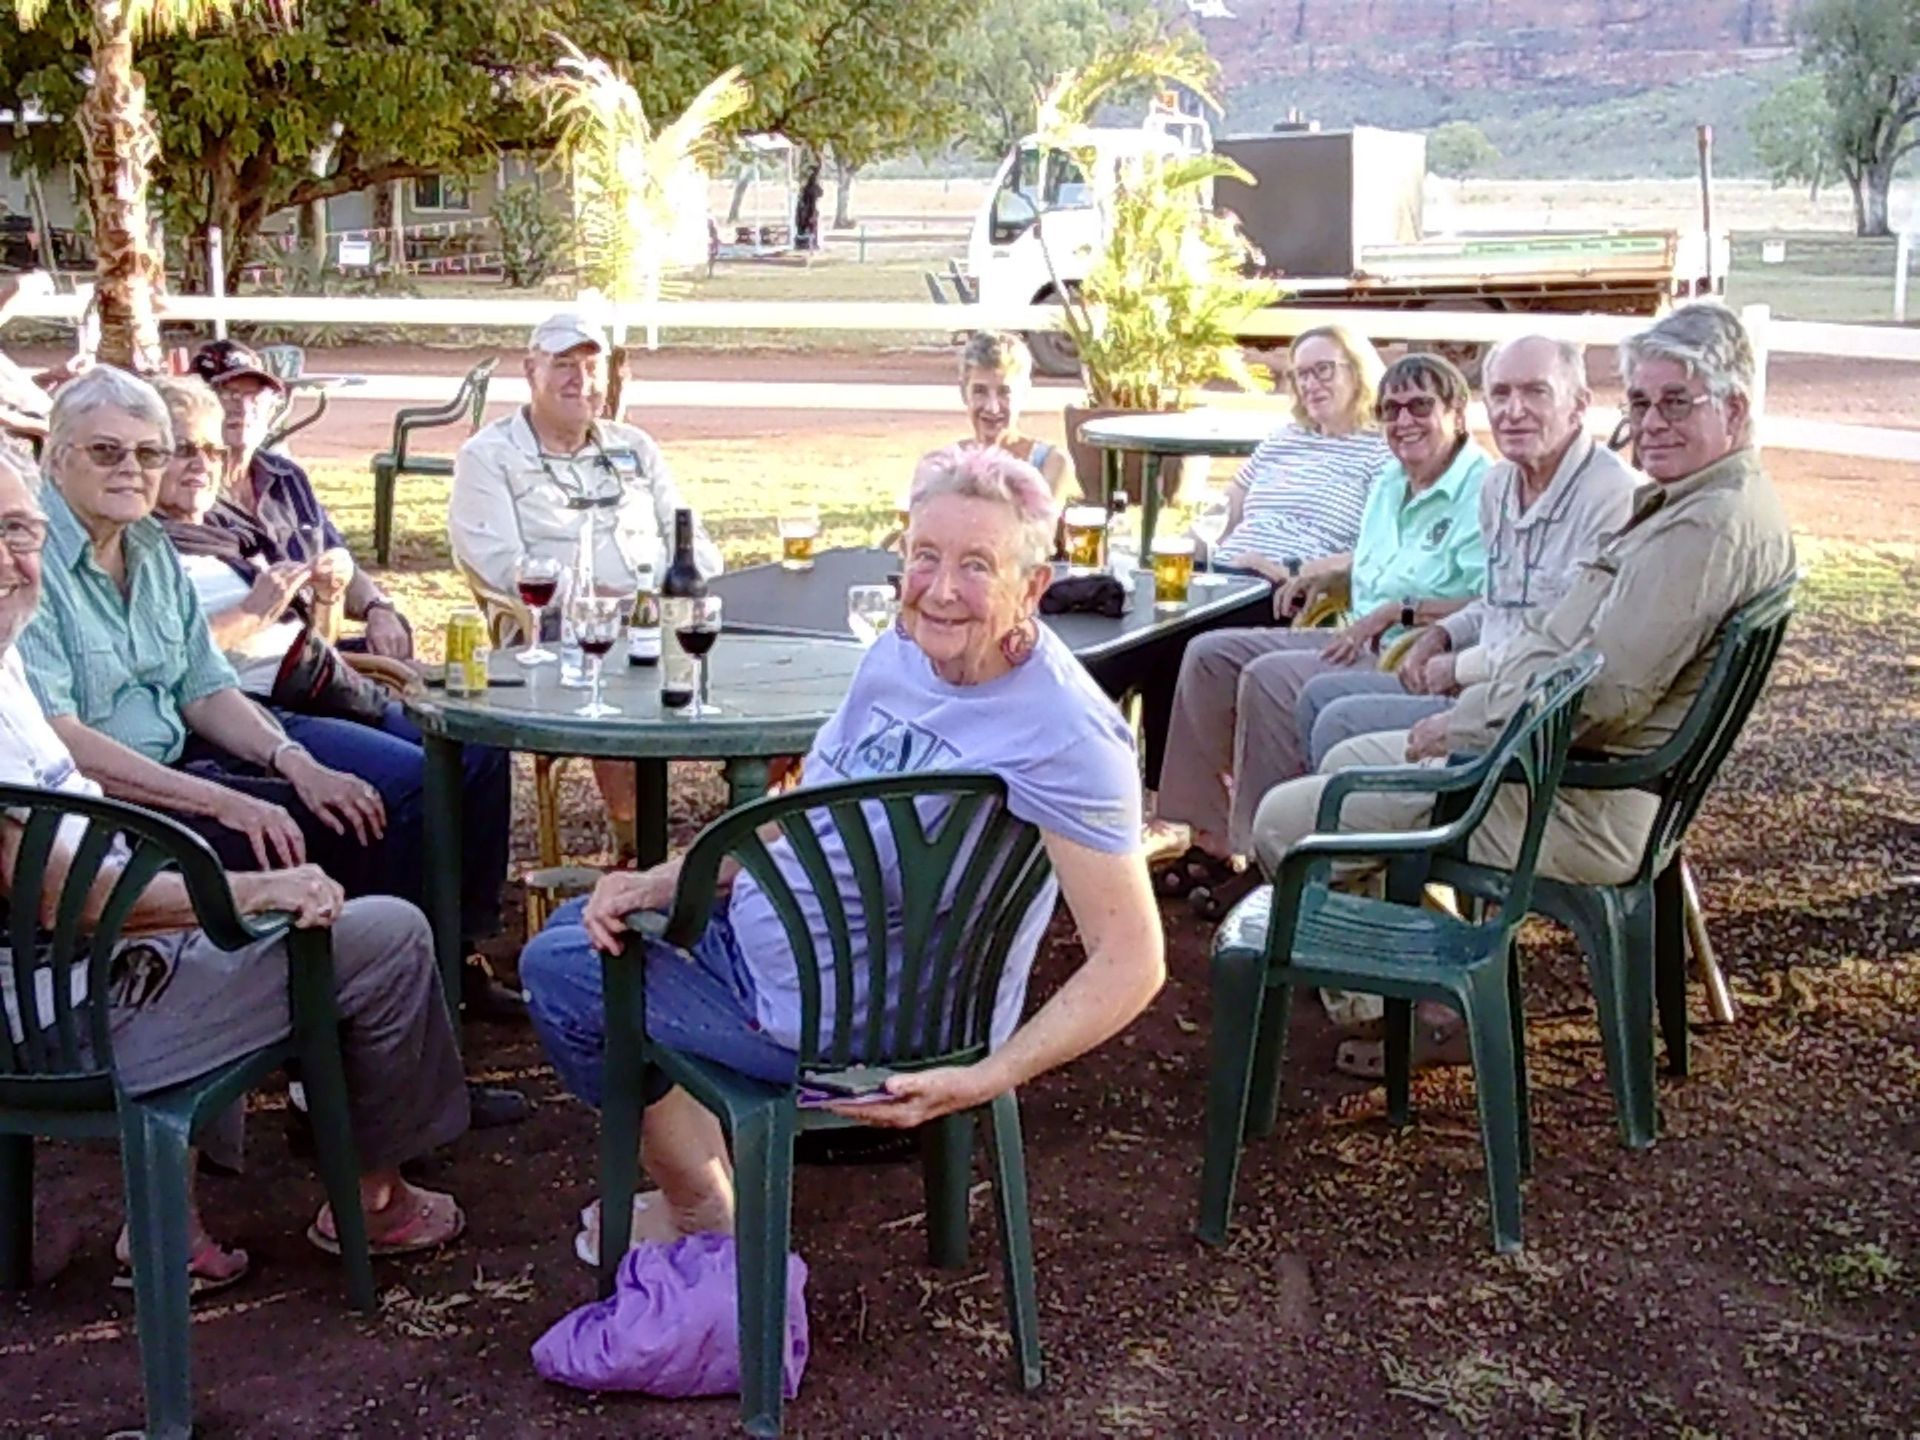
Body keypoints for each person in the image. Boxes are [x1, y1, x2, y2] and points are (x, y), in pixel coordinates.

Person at [518, 445, 1165, 1254]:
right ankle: (714, 1170)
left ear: (1034, 586)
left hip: (838, 1027)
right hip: (779, 960)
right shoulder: (901, 650)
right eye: (923, 557)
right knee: (592, 922)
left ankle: (704, 1210)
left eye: (977, 566)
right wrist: (664, 880)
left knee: (562, 971)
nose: (940, 589)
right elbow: (803, 819)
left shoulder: (1067, 733)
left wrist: (990, 1077)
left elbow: (1133, 960)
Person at [1250, 303, 1796, 1071]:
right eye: (1641, 403)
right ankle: (1404, 997)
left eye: (1679, 401)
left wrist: (1467, 729)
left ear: (1735, 408)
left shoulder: (1702, 529)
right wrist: (1467, 700)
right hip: (1569, 776)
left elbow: (1602, 698)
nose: (1654, 422)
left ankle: (1420, 1010)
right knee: (1345, 755)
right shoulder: (1688, 501)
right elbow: (1553, 631)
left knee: (1287, 822)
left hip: (1582, 800)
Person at [0, 448, 468, 1290]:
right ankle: (374, 1200)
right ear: (62, 457)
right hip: (65, 1011)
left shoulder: (11, 663)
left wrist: (282, 774)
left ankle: (168, 1223)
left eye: (20, 532)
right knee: (386, 936)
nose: (11, 560)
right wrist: (248, 892)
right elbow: (54, 895)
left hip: (94, 956)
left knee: (357, 833)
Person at [150, 376, 516, 1019]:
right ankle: (405, 983)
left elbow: (300, 629)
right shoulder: (148, 545)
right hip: (252, 711)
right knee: (408, 785)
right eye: (181, 450)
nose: (202, 465)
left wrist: (334, 600)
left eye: (210, 450)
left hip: (316, 682)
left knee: (477, 749)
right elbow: (180, 665)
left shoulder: (222, 525)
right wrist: (254, 612)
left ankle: (459, 944)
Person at [1155, 353, 1492, 908]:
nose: (1403, 420)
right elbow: (1375, 563)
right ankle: (1212, 842)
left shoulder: (1480, 490)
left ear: (1457, 413)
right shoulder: (1390, 480)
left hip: (1412, 656)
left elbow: (1486, 602)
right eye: (1391, 410)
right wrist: (1334, 577)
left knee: (1268, 679)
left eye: (1420, 406)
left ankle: (1272, 863)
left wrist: (1400, 612)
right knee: (1207, 654)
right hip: (1358, 632)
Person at [1296, 336, 1641, 770]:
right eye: (1500, 393)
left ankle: (1348, 826)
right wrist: (1443, 635)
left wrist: (1457, 665)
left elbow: (1563, 644)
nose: (1514, 410)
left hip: (1526, 717)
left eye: (1536, 391)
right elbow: (1498, 604)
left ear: (1578, 405)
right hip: (1474, 681)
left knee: (1338, 722)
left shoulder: (1611, 496)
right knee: (1317, 696)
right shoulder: (1499, 484)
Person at [449, 310, 722, 599]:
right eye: (564, 365)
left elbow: (687, 533)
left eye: (592, 367)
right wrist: (595, 602)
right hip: (558, 629)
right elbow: (500, 564)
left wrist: (700, 586)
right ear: (531, 372)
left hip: (663, 619)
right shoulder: (488, 456)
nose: (580, 380)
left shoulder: (635, 445)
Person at [189, 339, 415, 659]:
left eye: (256, 394)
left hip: (318, 647)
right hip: (257, 659)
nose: (244, 406)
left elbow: (337, 558)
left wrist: (379, 608)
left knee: (396, 640)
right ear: (199, 407)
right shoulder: (192, 495)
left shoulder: (286, 476)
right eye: (228, 394)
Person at [1205, 325, 1391, 578]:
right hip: (1224, 577)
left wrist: (1292, 574)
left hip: (1295, 595)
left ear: (1358, 372)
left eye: (1324, 370)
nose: (1310, 384)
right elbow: (1218, 517)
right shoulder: (1283, 439)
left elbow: (1383, 551)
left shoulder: (1382, 451)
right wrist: (1167, 555)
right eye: (1301, 374)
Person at [956, 331, 1069, 498]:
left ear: (1023, 393)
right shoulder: (947, 464)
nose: (992, 407)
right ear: (964, 393)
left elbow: (1040, 523)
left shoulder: (1049, 463)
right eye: (980, 391)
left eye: (1004, 392)